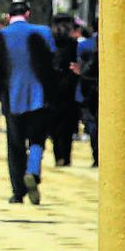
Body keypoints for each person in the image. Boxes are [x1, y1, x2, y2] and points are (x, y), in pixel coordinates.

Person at [0, 1, 55, 205]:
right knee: (37, 139)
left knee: (15, 145)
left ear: (8, 16)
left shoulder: (0, 36)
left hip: (12, 97)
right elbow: (52, 61)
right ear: (28, 13)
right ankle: (33, 170)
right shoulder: (44, 31)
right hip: (40, 97)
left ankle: (18, 192)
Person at [49, 15, 81, 166]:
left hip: (52, 87)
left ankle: (58, 156)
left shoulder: (49, 43)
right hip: (69, 87)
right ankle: (66, 156)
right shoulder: (73, 44)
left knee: (55, 124)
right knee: (67, 125)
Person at [74, 21, 101, 167]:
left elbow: (83, 69)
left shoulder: (85, 45)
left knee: (92, 123)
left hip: (90, 90)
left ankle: (96, 155)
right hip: (106, 90)